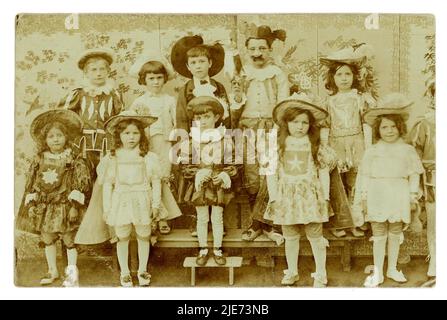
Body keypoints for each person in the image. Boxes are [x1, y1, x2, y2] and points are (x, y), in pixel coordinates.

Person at [353, 93, 424, 287]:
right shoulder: (373, 151)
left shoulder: (407, 150)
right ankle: (378, 272)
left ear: (400, 128)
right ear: (378, 130)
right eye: (384, 127)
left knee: (395, 231)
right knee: (379, 233)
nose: (390, 131)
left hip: (398, 193)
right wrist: (364, 197)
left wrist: (411, 195)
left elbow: (414, 173)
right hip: (377, 193)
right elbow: (364, 175)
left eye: (393, 126)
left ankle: (392, 268)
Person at [16, 109, 92, 287]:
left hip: (65, 206)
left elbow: (79, 184)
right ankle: (52, 271)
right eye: (51, 136)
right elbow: (33, 182)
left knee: (68, 239)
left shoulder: (73, 159)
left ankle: (72, 273)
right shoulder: (39, 159)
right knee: (48, 238)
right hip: (46, 206)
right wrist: (33, 202)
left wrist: (74, 206)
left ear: (66, 137)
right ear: (45, 139)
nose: (55, 139)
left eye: (59, 135)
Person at [265, 98, 336, 287]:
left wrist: (326, 197)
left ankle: (321, 273)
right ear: (286, 123)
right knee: (290, 236)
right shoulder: (279, 146)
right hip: (286, 197)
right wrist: (273, 197)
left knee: (316, 236)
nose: (300, 126)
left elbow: (323, 172)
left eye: (304, 122)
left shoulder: (314, 145)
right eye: (295, 122)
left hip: (310, 197)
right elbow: (271, 173)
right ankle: (292, 271)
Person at [230, 24, 288, 243]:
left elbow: (283, 105)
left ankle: (269, 225)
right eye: (253, 49)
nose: (257, 53)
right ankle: (256, 224)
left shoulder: (278, 74)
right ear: (247, 51)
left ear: (269, 50)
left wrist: (278, 128)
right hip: (246, 128)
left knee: (269, 176)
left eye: (262, 48)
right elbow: (235, 105)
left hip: (271, 127)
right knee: (252, 175)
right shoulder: (242, 74)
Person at [99, 111, 162, 287]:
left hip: (142, 198)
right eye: (126, 133)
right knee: (122, 236)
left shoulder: (148, 157)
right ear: (119, 135)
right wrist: (107, 208)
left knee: (143, 235)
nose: (131, 137)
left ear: (141, 134)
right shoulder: (113, 157)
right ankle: (125, 272)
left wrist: (156, 204)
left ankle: (142, 270)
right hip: (121, 200)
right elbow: (107, 185)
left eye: (135, 133)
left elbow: (156, 182)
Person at [319, 45, 376, 237]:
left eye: (348, 74)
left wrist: (368, 147)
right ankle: (340, 223)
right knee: (338, 183)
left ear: (354, 77)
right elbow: (325, 125)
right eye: (339, 74)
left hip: (357, 143)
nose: (344, 78)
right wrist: (325, 147)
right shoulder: (328, 101)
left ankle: (357, 220)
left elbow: (366, 123)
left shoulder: (360, 99)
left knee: (355, 182)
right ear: (332, 78)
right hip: (337, 144)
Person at [178, 96, 238, 266]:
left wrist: (225, 174)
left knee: (217, 218)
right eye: (198, 118)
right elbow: (185, 165)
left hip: (218, 184)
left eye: (207, 117)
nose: (202, 121)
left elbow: (233, 162)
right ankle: (203, 249)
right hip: (201, 186)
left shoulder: (225, 140)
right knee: (202, 217)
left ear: (216, 117)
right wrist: (197, 173)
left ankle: (218, 249)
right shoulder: (191, 141)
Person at [129, 52, 182, 234]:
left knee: (163, 178)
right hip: (146, 145)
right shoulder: (139, 102)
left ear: (165, 79)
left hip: (164, 144)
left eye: (159, 78)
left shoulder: (170, 100)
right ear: (144, 80)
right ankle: (149, 216)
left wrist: (178, 145)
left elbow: (176, 123)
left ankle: (163, 218)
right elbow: (133, 126)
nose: (156, 82)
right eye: (151, 78)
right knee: (148, 179)